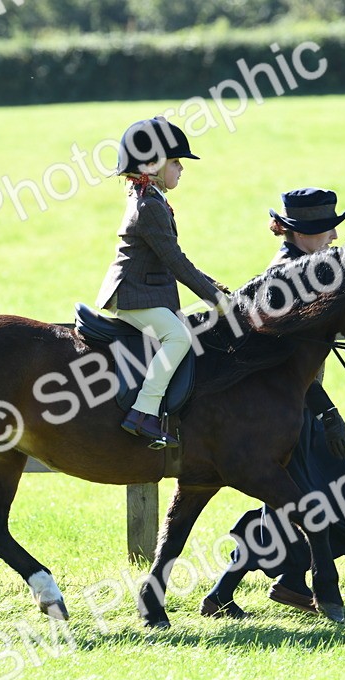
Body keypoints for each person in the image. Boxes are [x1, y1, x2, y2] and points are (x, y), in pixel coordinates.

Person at [200, 188, 345, 619]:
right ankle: (280, 586)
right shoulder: (286, 278)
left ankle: (277, 585)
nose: (335, 235)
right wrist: (327, 412)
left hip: (295, 407)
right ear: (303, 234)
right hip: (283, 412)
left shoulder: (310, 274)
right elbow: (281, 364)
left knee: (308, 497)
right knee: (318, 496)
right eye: (326, 229)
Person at [95, 116, 229, 448]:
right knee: (179, 336)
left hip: (144, 292)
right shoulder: (149, 205)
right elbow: (176, 262)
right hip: (131, 294)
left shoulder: (151, 198)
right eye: (176, 161)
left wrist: (219, 289)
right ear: (152, 163)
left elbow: (175, 261)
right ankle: (144, 411)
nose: (182, 168)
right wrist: (216, 299)